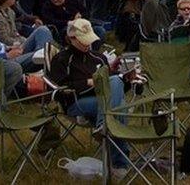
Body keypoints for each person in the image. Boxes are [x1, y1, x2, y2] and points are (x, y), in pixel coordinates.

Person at [47, 19, 130, 177]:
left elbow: (116, 88)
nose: (87, 45)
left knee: (118, 91)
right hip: (76, 102)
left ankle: (104, 126)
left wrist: (127, 79)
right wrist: (89, 82)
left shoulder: (99, 58)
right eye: (82, 41)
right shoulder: (62, 59)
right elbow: (59, 89)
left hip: (102, 101)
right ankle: (119, 162)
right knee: (119, 105)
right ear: (71, 39)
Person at [40, 0, 104, 45]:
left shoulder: (72, 0)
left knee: (100, 30)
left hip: (81, 24)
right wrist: (70, 22)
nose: (55, 0)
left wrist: (80, 16)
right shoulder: (47, 6)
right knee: (75, 34)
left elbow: (86, 12)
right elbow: (51, 21)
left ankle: (92, 51)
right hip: (63, 29)